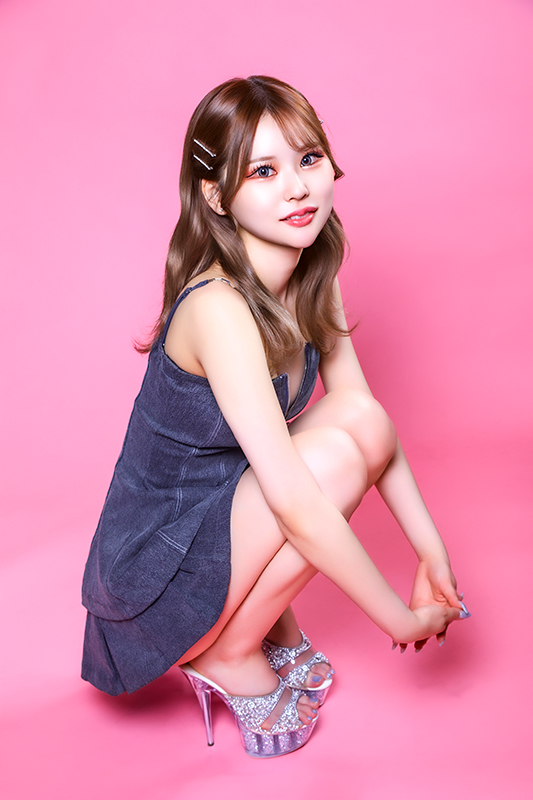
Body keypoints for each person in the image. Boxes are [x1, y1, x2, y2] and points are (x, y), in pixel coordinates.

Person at [81, 75, 470, 758]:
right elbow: (294, 499)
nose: (297, 188)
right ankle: (227, 652)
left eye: (308, 158)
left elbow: (369, 420)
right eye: (263, 171)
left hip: (224, 524)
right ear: (215, 196)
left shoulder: (312, 269)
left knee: (359, 422)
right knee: (329, 461)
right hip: (152, 580)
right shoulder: (218, 308)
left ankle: (254, 628)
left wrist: (431, 552)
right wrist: (398, 618)